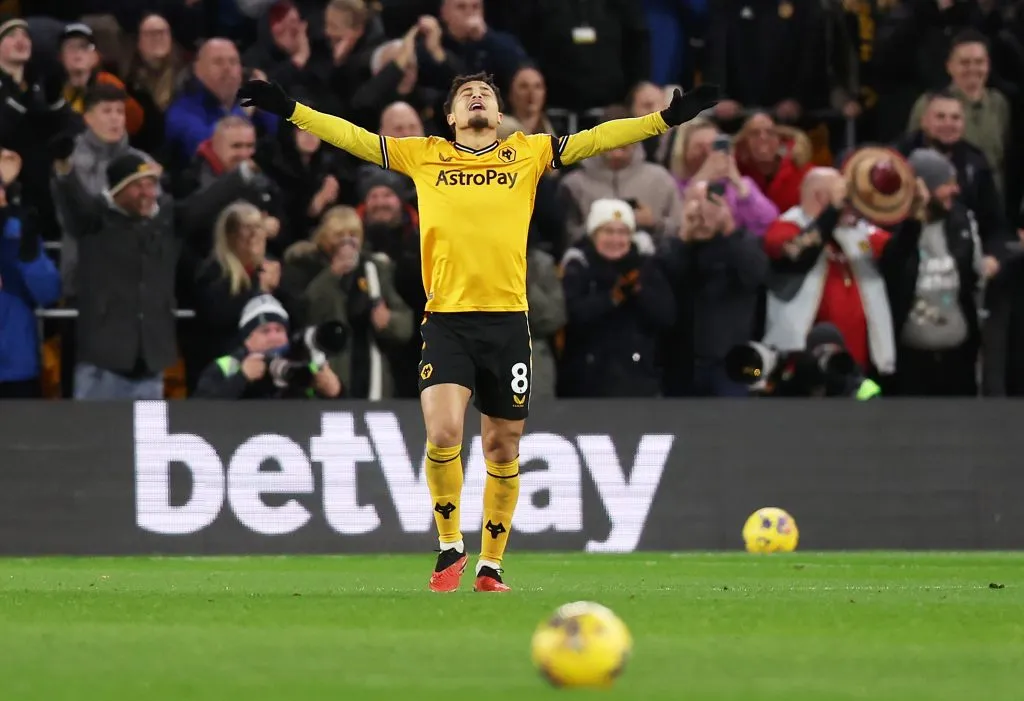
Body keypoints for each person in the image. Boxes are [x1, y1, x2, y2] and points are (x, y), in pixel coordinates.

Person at [238, 72, 718, 593]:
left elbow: (600, 137)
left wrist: (665, 121)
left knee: (502, 446)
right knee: (443, 432)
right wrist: (289, 109)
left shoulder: (528, 152)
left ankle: (491, 565)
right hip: (446, 320)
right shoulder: (423, 155)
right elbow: (350, 135)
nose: (476, 96)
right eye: (466, 94)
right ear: (449, 116)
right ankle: (450, 545)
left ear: (497, 112)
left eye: (485, 93)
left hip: (509, 323)